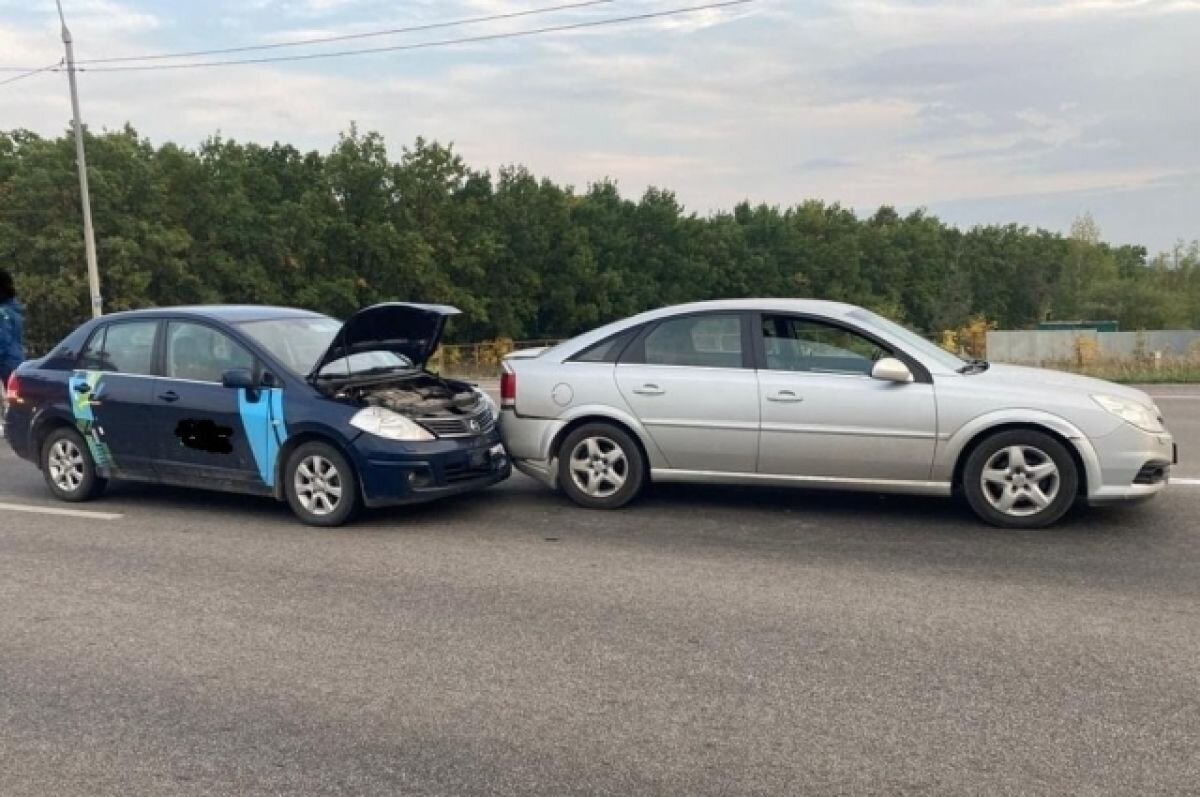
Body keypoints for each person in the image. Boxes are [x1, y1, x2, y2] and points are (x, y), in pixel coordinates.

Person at [0, 268, 25, 386]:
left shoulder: (3, 313)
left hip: (5, 368)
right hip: (16, 365)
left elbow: (2, 342)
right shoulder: (13, 310)